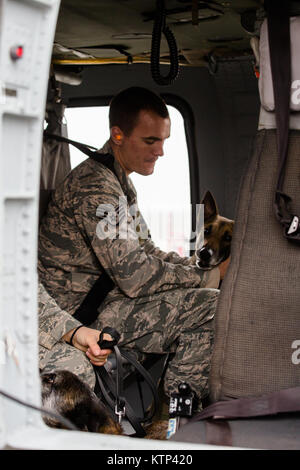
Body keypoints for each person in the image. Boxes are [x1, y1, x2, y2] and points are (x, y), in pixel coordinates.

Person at [38, 87, 228, 407]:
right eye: (151, 141)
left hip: (105, 302)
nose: (161, 151)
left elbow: (147, 251)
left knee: (212, 300)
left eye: (164, 140)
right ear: (118, 135)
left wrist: (201, 267)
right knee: (209, 307)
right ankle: (175, 413)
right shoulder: (95, 188)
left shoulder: (117, 180)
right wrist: (209, 278)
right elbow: (134, 276)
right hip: (76, 315)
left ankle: (178, 408)